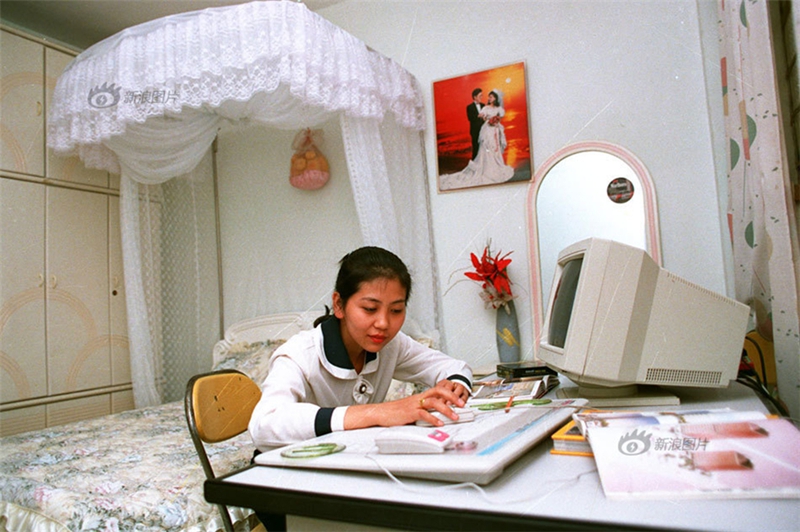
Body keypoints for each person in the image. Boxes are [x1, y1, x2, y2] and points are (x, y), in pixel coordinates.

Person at [248, 246, 473, 450]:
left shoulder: (392, 346)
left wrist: (454, 388)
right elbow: (264, 424)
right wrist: (379, 412)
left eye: (396, 310)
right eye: (369, 309)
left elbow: (454, 367)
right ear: (339, 304)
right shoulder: (299, 354)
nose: (383, 323)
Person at [440, 89, 515, 190]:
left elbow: (499, 117)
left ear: (495, 99)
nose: (487, 98)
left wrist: (495, 121)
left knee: (494, 147)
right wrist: (488, 120)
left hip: (495, 131)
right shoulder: (480, 107)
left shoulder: (494, 108)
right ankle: (483, 168)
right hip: (484, 130)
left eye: (491, 97)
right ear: (475, 96)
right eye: (484, 96)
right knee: (484, 147)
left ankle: (495, 166)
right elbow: (477, 118)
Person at [467, 87, 484, 160]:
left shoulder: (483, 105)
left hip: (484, 130)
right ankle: (475, 166)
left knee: (484, 148)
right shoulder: (469, 107)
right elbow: (470, 118)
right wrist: (479, 116)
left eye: (482, 95)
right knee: (476, 148)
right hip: (475, 131)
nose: (481, 97)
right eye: (480, 96)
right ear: (475, 97)